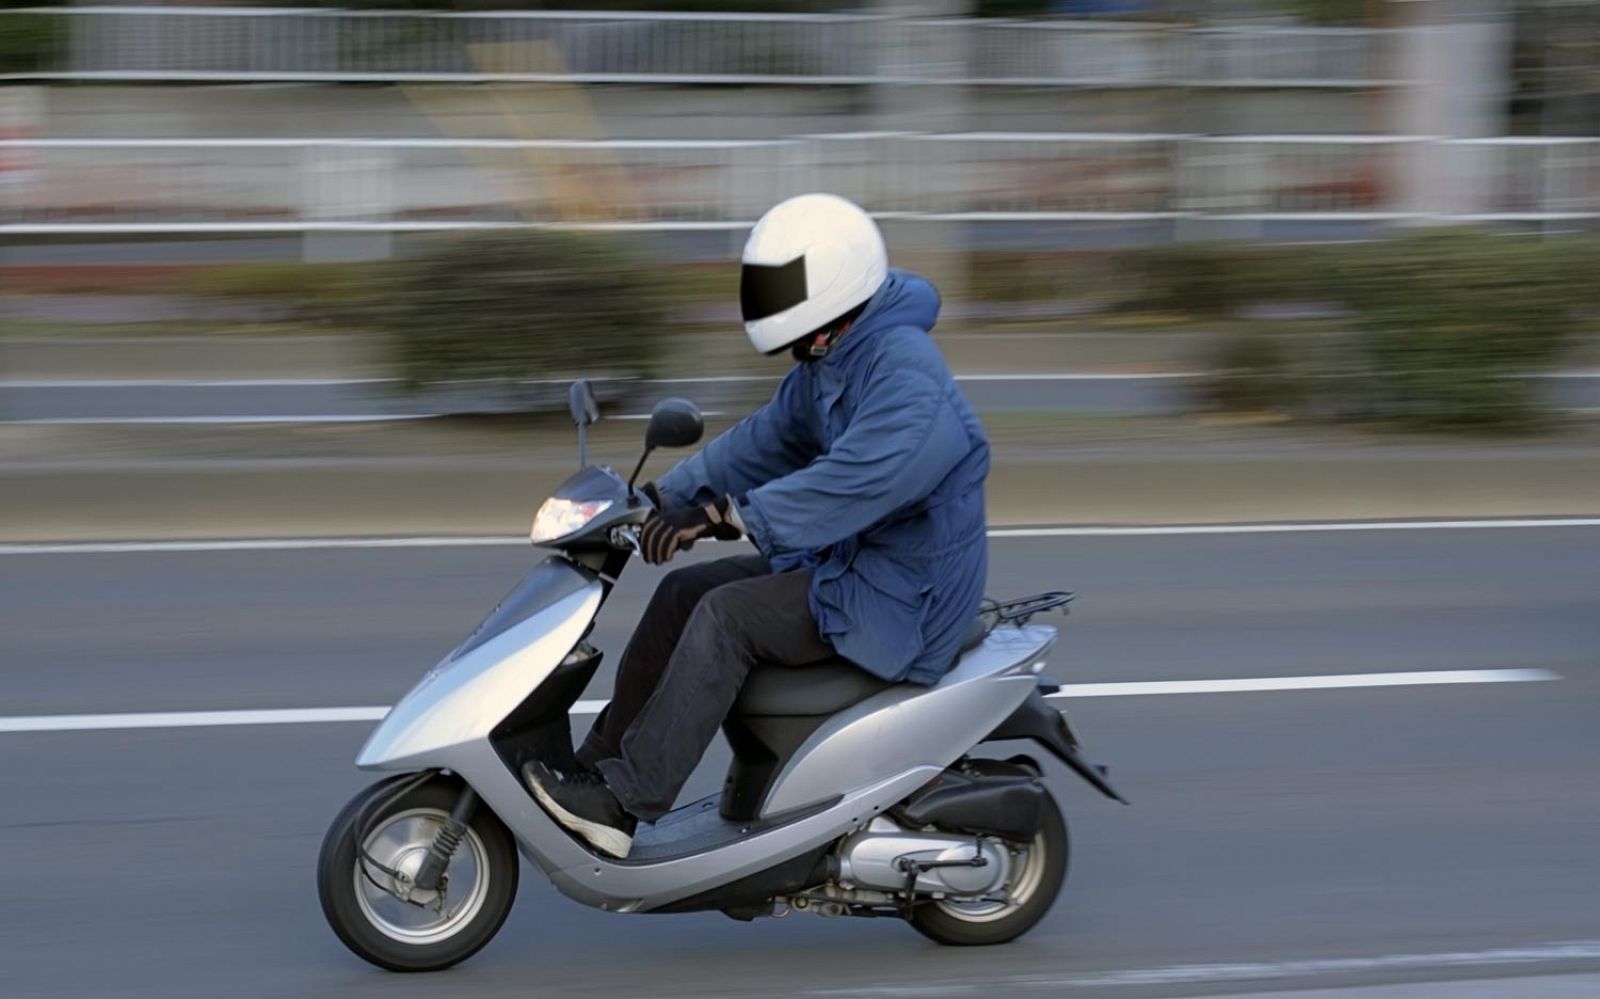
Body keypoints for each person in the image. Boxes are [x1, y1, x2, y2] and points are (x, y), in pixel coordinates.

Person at [523, 193, 990, 859]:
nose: (763, 298)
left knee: (725, 615)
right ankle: (596, 770)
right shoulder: (836, 357)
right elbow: (760, 442)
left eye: (779, 284)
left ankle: (628, 801)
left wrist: (728, 515)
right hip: (851, 569)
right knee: (681, 594)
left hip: (903, 597)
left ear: (829, 280)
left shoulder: (905, 370)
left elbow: (863, 476)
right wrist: (655, 496)